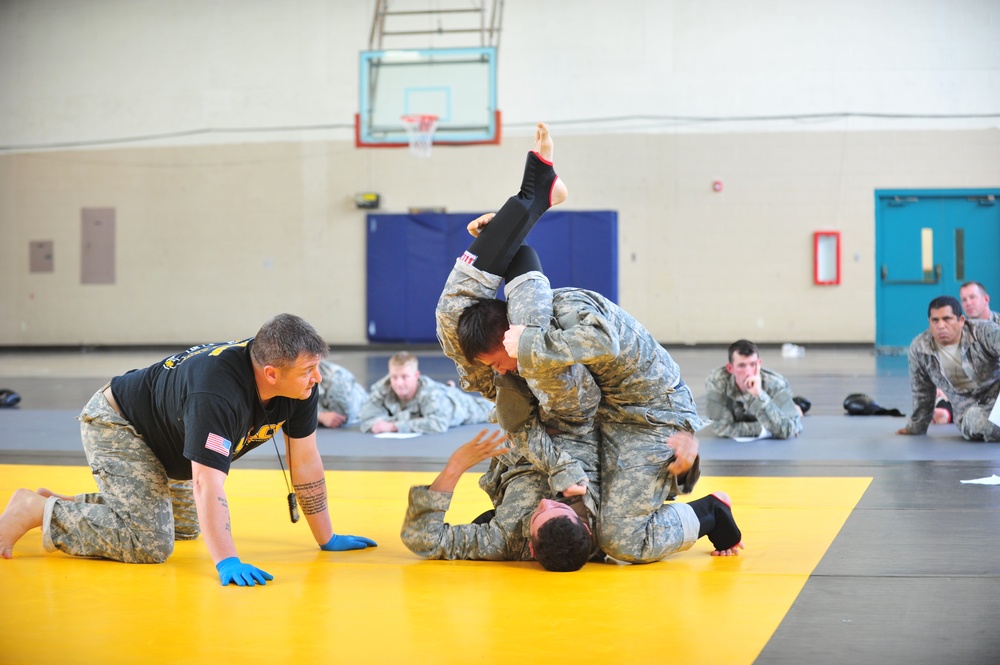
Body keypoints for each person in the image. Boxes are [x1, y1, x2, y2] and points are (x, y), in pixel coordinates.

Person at [438, 122, 742, 565]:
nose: (498, 369)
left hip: (645, 416)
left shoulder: (571, 310)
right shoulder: (528, 324)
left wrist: (529, 347)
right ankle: (539, 196)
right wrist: (501, 238)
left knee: (622, 540)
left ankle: (710, 513)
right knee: (452, 325)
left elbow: (604, 341)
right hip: (585, 407)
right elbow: (523, 272)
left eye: (499, 359)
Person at [0, 314, 377, 586]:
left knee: (185, 528)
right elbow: (206, 485)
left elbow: (306, 461)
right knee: (150, 542)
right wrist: (227, 561)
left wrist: (326, 538)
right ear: (271, 373)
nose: (318, 377)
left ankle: (63, 502)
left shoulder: (301, 386)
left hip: (173, 442)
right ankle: (36, 510)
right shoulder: (217, 393)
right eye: (309, 368)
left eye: (317, 366)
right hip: (122, 424)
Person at [402, 427, 745, 571]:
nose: (546, 501)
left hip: (526, 433)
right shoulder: (609, 523)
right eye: (559, 506)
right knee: (628, 541)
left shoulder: (503, 538)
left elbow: (423, 540)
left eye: (540, 512)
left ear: (530, 547)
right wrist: (685, 467)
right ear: (585, 526)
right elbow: (702, 507)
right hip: (585, 425)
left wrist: (456, 466)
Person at [896, 295, 1000, 442]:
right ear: (929, 322)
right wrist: (915, 428)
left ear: (961, 321)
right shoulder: (920, 349)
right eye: (935, 320)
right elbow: (922, 393)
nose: (941, 326)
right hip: (970, 411)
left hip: (997, 395)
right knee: (990, 425)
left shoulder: (983, 332)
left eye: (947, 319)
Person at [358, 351, 493, 434]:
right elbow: (366, 419)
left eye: (404, 377)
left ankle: (448, 391)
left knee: (495, 411)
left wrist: (393, 426)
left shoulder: (431, 394)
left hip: (461, 407)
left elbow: (438, 424)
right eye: (394, 377)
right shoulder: (383, 388)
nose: (398, 383)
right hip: (435, 402)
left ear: (416, 375)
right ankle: (447, 389)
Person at [704, 339, 804, 439]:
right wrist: (764, 429)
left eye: (753, 364)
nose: (748, 372)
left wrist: (760, 395)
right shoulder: (716, 382)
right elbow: (720, 427)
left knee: (794, 411)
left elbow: (788, 429)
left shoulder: (775, 384)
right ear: (730, 368)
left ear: (759, 364)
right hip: (742, 415)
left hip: (768, 404)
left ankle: (796, 405)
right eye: (741, 365)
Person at [316, 360, 368, 428]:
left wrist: (318, 416)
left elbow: (338, 418)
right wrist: (319, 416)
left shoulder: (338, 379)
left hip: (363, 410)